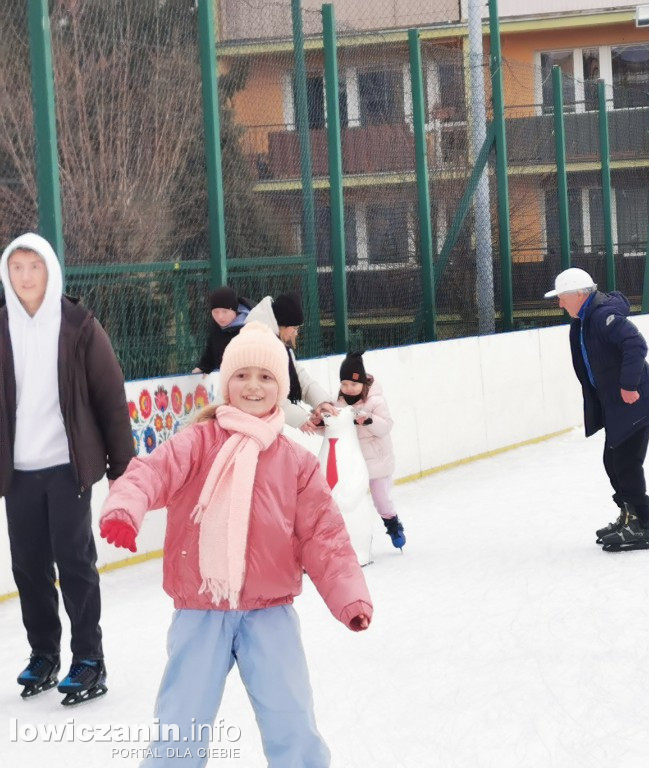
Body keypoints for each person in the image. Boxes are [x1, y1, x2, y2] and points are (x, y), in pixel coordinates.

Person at [98, 322, 372, 767]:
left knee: (292, 720)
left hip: (270, 612)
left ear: (281, 387)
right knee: (180, 725)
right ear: (226, 382)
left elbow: (325, 537)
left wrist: (350, 598)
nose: (253, 386)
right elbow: (150, 472)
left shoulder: (295, 463)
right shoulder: (197, 443)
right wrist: (124, 507)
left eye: (266, 377)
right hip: (201, 610)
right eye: (242, 375)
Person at [0, 232, 134, 704]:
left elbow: (110, 395)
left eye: (33, 266)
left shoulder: (79, 326)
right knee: (28, 567)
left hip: (67, 467)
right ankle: (44, 654)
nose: (25, 276)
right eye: (16, 267)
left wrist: (123, 463)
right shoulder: (1, 327)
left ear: (50, 271)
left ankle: (88, 659)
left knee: (75, 564)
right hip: (17, 472)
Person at [544, 267, 649, 552]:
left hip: (634, 403)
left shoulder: (602, 317)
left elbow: (635, 344)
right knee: (612, 463)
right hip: (616, 405)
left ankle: (639, 525)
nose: (560, 304)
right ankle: (628, 515)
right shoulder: (586, 319)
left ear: (579, 294)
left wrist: (628, 385)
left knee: (625, 464)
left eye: (562, 297)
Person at [331, 352, 405, 549]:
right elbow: (334, 428)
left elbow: (386, 426)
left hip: (377, 461)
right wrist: (321, 423)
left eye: (354, 385)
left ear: (363, 384)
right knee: (348, 501)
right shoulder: (339, 403)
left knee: (381, 500)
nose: (349, 389)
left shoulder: (376, 401)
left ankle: (392, 523)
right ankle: (350, 538)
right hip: (353, 461)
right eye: (345, 384)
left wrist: (369, 420)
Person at [245, 291, 338, 430]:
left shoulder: (281, 346)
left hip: (266, 425)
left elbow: (299, 377)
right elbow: (266, 392)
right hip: (249, 424)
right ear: (283, 326)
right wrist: (301, 418)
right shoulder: (257, 347)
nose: (296, 333)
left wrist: (320, 401)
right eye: (294, 328)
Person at [191, 285, 251, 374]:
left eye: (225, 311)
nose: (220, 317)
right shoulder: (216, 328)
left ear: (234, 310)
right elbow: (210, 353)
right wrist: (203, 367)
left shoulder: (250, 328)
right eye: (215, 312)